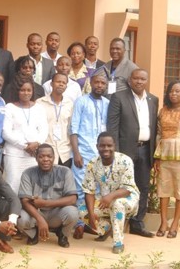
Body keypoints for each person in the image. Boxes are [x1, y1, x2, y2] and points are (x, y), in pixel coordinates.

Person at [107, 69, 159, 237]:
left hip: (145, 149)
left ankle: (137, 223)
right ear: (130, 80)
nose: (139, 81)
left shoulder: (153, 100)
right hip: (125, 150)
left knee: (143, 186)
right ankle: (116, 223)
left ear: (147, 80)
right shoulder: (118, 97)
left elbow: (154, 127)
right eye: (136, 78)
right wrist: (115, 153)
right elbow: (112, 127)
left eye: (143, 79)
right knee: (122, 186)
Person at [81, 132, 139, 254]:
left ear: (114, 146)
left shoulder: (125, 160)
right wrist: (91, 215)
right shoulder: (92, 164)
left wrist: (111, 196)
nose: (106, 149)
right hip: (105, 200)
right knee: (81, 210)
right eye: (102, 146)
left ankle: (118, 242)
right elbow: (89, 191)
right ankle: (106, 229)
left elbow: (128, 189)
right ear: (97, 146)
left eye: (109, 145)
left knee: (117, 204)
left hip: (127, 199)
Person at [153, 80, 180, 239]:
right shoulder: (162, 111)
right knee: (163, 190)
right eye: (171, 91)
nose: (174, 94)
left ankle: (175, 223)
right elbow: (159, 134)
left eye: (178, 91)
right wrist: (156, 157)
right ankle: (164, 222)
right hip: (164, 155)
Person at [69, 73, 110, 238]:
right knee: (80, 190)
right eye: (97, 82)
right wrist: (76, 153)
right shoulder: (81, 101)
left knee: (99, 190)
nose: (99, 85)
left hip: (102, 155)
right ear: (91, 83)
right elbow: (74, 129)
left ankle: (96, 223)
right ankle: (80, 224)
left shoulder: (108, 103)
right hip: (83, 154)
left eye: (103, 83)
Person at [17, 144, 78, 248]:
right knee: (20, 218)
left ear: (54, 158)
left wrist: (45, 203)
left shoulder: (65, 171)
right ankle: (33, 234)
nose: (45, 159)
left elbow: (73, 199)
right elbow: (24, 201)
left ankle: (62, 234)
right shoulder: (28, 173)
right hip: (36, 213)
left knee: (73, 213)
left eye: (49, 156)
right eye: (41, 156)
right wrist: (40, 219)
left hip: (57, 213)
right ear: (36, 158)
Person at [2, 81, 49, 194]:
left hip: (33, 155)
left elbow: (44, 130)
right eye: (22, 90)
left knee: (33, 186)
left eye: (29, 90)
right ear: (17, 91)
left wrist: (36, 143)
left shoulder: (39, 108)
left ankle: (29, 211)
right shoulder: (9, 107)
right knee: (13, 184)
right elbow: (6, 132)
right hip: (14, 154)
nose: (26, 93)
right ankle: (13, 211)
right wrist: (25, 146)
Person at [37, 73, 75, 168]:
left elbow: (72, 127)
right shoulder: (40, 103)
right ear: (51, 84)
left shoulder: (70, 104)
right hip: (46, 151)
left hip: (65, 152)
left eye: (64, 83)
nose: (61, 84)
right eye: (58, 82)